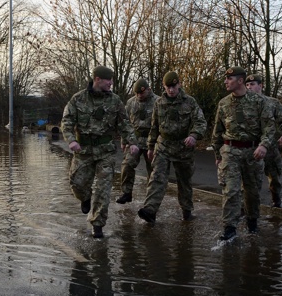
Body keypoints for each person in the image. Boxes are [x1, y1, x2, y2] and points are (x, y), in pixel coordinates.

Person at [61, 65, 139, 238]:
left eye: (112, 80)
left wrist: (132, 142)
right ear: (97, 79)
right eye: (108, 80)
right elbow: (66, 121)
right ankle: (85, 198)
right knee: (77, 184)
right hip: (83, 150)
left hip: (106, 152)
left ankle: (97, 226)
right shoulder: (78, 99)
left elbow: (125, 123)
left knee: (103, 190)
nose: (111, 83)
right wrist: (71, 140)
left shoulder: (115, 101)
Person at [212, 66, 275, 240]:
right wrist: (218, 155)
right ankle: (229, 228)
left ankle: (252, 223)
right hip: (230, 152)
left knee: (252, 192)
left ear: (240, 81)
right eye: (226, 79)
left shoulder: (259, 102)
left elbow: (269, 127)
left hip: (252, 153)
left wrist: (263, 145)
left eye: (229, 79)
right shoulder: (223, 103)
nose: (226, 81)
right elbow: (217, 132)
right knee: (231, 191)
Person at [136, 71, 207, 224]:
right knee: (157, 178)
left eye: (173, 86)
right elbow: (154, 126)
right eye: (168, 87)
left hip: (183, 148)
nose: (171, 90)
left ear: (179, 84)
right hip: (163, 147)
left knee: (184, 182)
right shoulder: (159, 103)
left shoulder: (190, 102)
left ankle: (187, 211)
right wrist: (150, 147)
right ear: (164, 87)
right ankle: (150, 210)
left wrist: (193, 135)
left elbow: (200, 122)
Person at [246, 74, 282, 207]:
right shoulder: (243, 103)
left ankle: (276, 201)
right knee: (250, 178)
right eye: (247, 85)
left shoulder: (272, 102)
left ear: (260, 85)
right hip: (251, 147)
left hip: (270, 147)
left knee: (274, 176)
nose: (249, 87)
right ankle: (249, 206)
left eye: (252, 84)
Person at [117, 78, 157, 204]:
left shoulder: (158, 101)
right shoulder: (130, 103)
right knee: (127, 165)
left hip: (152, 140)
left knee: (153, 170)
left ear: (148, 90)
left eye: (142, 93)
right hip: (134, 139)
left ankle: (150, 199)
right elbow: (125, 123)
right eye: (137, 93)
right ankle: (126, 192)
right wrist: (124, 140)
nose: (139, 96)